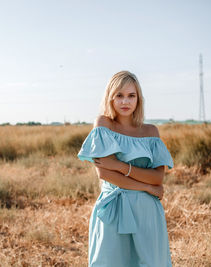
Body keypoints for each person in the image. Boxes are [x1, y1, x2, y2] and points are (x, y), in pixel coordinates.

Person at [77, 70, 174, 267]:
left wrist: (120, 166)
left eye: (131, 96)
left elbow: (157, 178)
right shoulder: (104, 124)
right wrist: (147, 187)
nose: (125, 102)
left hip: (147, 212)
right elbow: (104, 173)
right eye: (119, 95)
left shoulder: (151, 131)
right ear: (110, 98)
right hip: (113, 208)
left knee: (150, 263)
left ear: (139, 99)